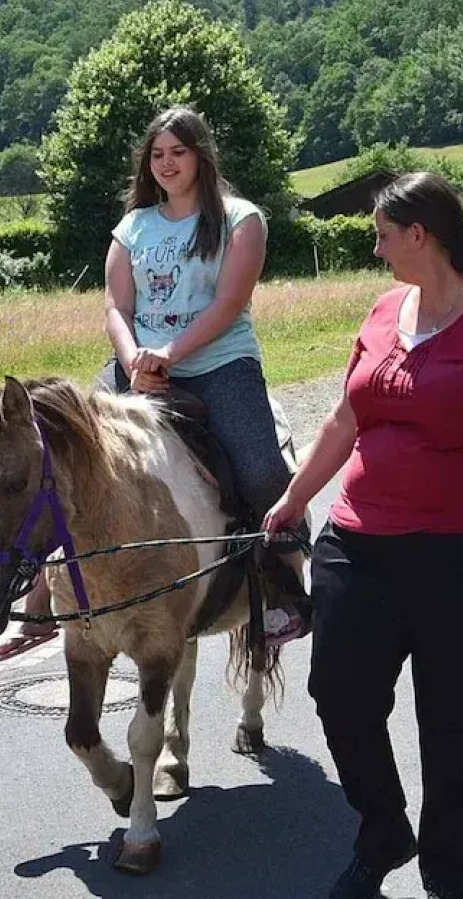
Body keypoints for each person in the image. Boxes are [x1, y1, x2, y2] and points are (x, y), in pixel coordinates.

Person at [262, 172, 463, 899]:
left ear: (419, 234)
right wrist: (295, 497)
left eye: (383, 234)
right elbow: (344, 419)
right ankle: (384, 828)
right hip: (360, 542)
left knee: (453, 727)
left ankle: (449, 880)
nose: (376, 246)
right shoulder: (385, 309)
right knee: (339, 693)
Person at [101, 103, 309, 642]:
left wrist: (169, 354)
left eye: (178, 152)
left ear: (201, 157)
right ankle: (46, 592)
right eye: (157, 154)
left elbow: (228, 303)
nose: (166, 163)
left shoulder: (241, 219)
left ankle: (286, 589)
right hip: (140, 367)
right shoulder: (132, 227)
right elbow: (117, 307)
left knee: (262, 472)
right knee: (66, 451)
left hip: (220, 365)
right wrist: (134, 359)